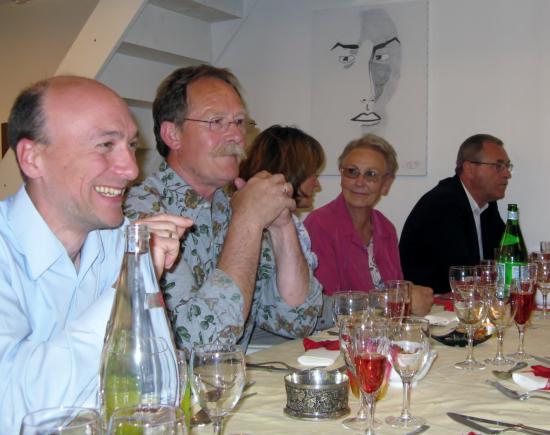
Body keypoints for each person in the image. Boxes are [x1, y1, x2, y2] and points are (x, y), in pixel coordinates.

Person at [0, 76, 193, 433]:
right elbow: (11, 412)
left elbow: (156, 390)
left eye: (131, 145)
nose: (132, 170)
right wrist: (130, 287)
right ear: (32, 158)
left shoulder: (124, 241)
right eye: (105, 145)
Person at [124, 66, 322, 352]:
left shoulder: (231, 206)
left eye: (240, 122)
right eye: (217, 121)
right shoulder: (142, 214)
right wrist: (249, 221)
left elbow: (295, 319)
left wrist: (282, 225)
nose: (236, 136)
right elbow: (201, 345)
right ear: (172, 135)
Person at [304, 133, 433, 327]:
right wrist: (402, 298)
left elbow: (394, 289)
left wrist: (410, 295)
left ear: (386, 184)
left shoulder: (386, 227)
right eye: (352, 172)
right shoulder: (319, 224)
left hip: (384, 334)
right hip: (339, 339)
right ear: (341, 176)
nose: (359, 182)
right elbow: (325, 304)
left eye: (371, 174)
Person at [238, 125, 325, 342]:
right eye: (313, 173)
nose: (317, 184)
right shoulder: (259, 231)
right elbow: (289, 318)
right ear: (291, 171)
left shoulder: (292, 224)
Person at [399, 133, 511, 294]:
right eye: (498, 166)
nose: (507, 174)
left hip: (462, 305)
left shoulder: (487, 204)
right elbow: (461, 273)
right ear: (470, 168)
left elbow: (504, 258)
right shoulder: (443, 204)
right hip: (432, 308)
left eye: (508, 166)